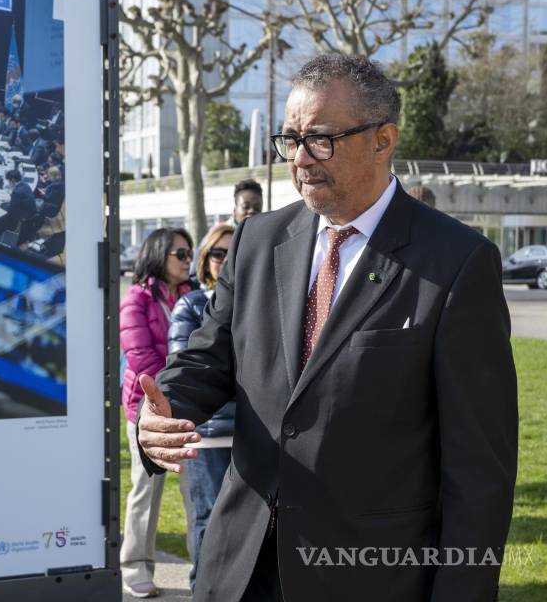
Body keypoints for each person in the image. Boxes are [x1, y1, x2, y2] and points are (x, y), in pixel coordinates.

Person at [135, 54, 517, 601]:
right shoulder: (256, 241)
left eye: (320, 138)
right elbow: (207, 359)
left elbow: (479, 471)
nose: (299, 158)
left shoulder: (457, 262)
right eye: (289, 139)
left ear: (383, 140)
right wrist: (165, 409)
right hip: (239, 568)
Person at [120, 228, 195, 599]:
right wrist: (180, 385)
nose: (188, 260)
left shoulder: (192, 295)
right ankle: (135, 567)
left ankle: (205, 567)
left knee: (195, 490)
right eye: (180, 254)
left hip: (188, 408)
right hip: (145, 409)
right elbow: (142, 359)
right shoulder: (136, 299)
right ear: (158, 254)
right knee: (146, 490)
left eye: (189, 254)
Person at [166, 224, 236, 593]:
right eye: (217, 253)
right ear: (205, 259)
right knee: (209, 524)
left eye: (231, 252)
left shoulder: (262, 302)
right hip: (208, 437)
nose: (224, 260)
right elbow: (187, 367)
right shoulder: (191, 305)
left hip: (251, 437)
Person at [0, 169, 36, 236]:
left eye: (8, 180)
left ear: (12, 180)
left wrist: (1, 204)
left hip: (23, 215)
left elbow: (11, 210)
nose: (8, 182)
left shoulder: (17, 192)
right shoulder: (25, 185)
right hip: (30, 212)